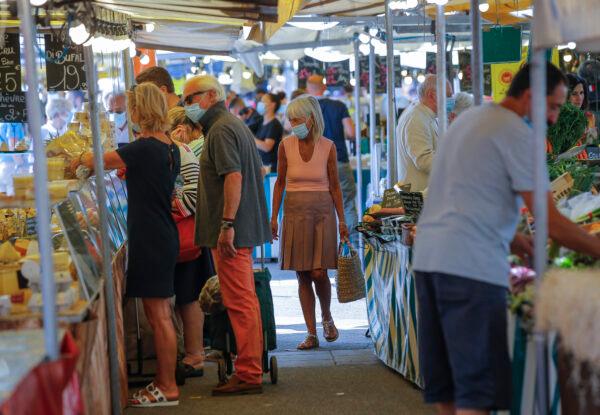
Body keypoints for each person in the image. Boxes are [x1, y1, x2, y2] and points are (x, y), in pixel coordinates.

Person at [412, 62, 600, 415]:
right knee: (475, 389)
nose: (556, 118)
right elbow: (552, 222)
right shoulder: (519, 135)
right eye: (555, 106)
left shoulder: (469, 120)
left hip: (429, 261)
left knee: (447, 383)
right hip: (470, 269)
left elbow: (460, 195)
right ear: (530, 97)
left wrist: (512, 237)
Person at [73, 82, 182, 407]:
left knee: (158, 315)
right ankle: (164, 380)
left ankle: (168, 386)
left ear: (141, 110)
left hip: (150, 237)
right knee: (161, 313)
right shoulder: (168, 146)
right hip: (161, 233)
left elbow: (96, 160)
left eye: (132, 107)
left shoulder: (142, 147)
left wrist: (76, 156)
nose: (129, 112)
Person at [183, 74, 271, 396]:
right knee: (244, 300)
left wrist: (226, 226)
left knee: (239, 301)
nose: (186, 105)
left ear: (208, 97)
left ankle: (248, 373)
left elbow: (233, 177)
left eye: (189, 99)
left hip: (233, 233)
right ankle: (250, 368)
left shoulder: (220, 130)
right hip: (239, 229)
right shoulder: (230, 126)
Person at [271, 94, 348, 350]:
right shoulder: (285, 145)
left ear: (311, 118)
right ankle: (311, 332)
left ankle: (326, 316)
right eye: (291, 119)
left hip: (322, 212)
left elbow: (336, 186)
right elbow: (279, 183)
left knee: (319, 271)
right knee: (302, 274)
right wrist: (273, 217)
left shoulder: (328, 146)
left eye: (297, 118)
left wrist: (342, 221)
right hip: (294, 212)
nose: (293, 123)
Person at [167, 107, 214, 379]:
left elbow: (193, 197)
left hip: (186, 236)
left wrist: (169, 207)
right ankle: (192, 353)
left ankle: (193, 354)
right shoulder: (185, 149)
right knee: (187, 295)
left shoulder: (186, 151)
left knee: (187, 296)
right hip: (191, 235)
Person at [306, 74, 358, 234]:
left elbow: (289, 129)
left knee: (318, 207)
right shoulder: (339, 106)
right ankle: (353, 247)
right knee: (347, 204)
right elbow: (351, 132)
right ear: (324, 87)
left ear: (308, 89)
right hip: (338, 160)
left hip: (314, 164)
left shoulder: (305, 109)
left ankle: (323, 247)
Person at [395, 75, 452, 191]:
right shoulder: (416, 118)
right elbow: (424, 161)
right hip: (418, 201)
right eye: (448, 96)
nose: (451, 100)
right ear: (432, 95)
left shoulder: (425, 116)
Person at [566, 73, 597, 159]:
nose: (579, 98)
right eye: (574, 93)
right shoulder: (556, 118)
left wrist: (590, 134)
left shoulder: (588, 117)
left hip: (583, 164)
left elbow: (591, 146)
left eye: (581, 93)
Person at [255, 93, 284, 172]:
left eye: (263, 101)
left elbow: (267, 147)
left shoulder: (274, 124)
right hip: (262, 166)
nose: (260, 104)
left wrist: (250, 138)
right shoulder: (261, 122)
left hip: (270, 168)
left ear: (273, 105)